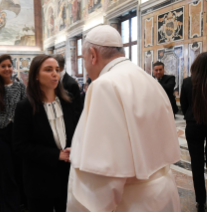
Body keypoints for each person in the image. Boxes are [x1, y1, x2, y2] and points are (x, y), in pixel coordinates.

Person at [66, 25, 181, 212]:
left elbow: (104, 176)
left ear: (93, 55)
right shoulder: (148, 79)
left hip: (132, 202)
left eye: (85, 59)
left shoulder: (104, 85)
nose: (86, 68)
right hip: (163, 194)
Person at [13, 55, 78, 212]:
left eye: (56, 69)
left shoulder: (67, 101)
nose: (55, 74)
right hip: (39, 179)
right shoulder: (25, 107)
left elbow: (76, 132)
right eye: (48, 70)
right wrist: (55, 155)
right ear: (36, 75)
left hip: (67, 175)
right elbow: (20, 146)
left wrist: (73, 148)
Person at [0, 54, 26, 212]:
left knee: (18, 167)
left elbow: (25, 110)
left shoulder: (20, 87)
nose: (7, 69)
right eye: (3, 66)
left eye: (9, 65)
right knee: (4, 170)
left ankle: (20, 201)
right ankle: (7, 205)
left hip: (17, 133)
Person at [180, 52, 207, 212]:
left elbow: (184, 105)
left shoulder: (188, 82)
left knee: (197, 166)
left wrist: (191, 117)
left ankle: (201, 202)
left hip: (193, 126)